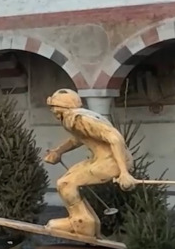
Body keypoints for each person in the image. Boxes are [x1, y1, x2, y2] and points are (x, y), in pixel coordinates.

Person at [43, 88, 137, 238]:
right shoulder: (75, 119)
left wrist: (124, 172)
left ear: (62, 108)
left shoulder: (80, 119)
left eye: (53, 107)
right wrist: (58, 151)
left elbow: (115, 138)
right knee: (65, 183)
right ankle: (88, 223)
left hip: (111, 161)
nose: (52, 111)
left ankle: (82, 225)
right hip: (102, 159)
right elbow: (78, 139)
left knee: (65, 184)